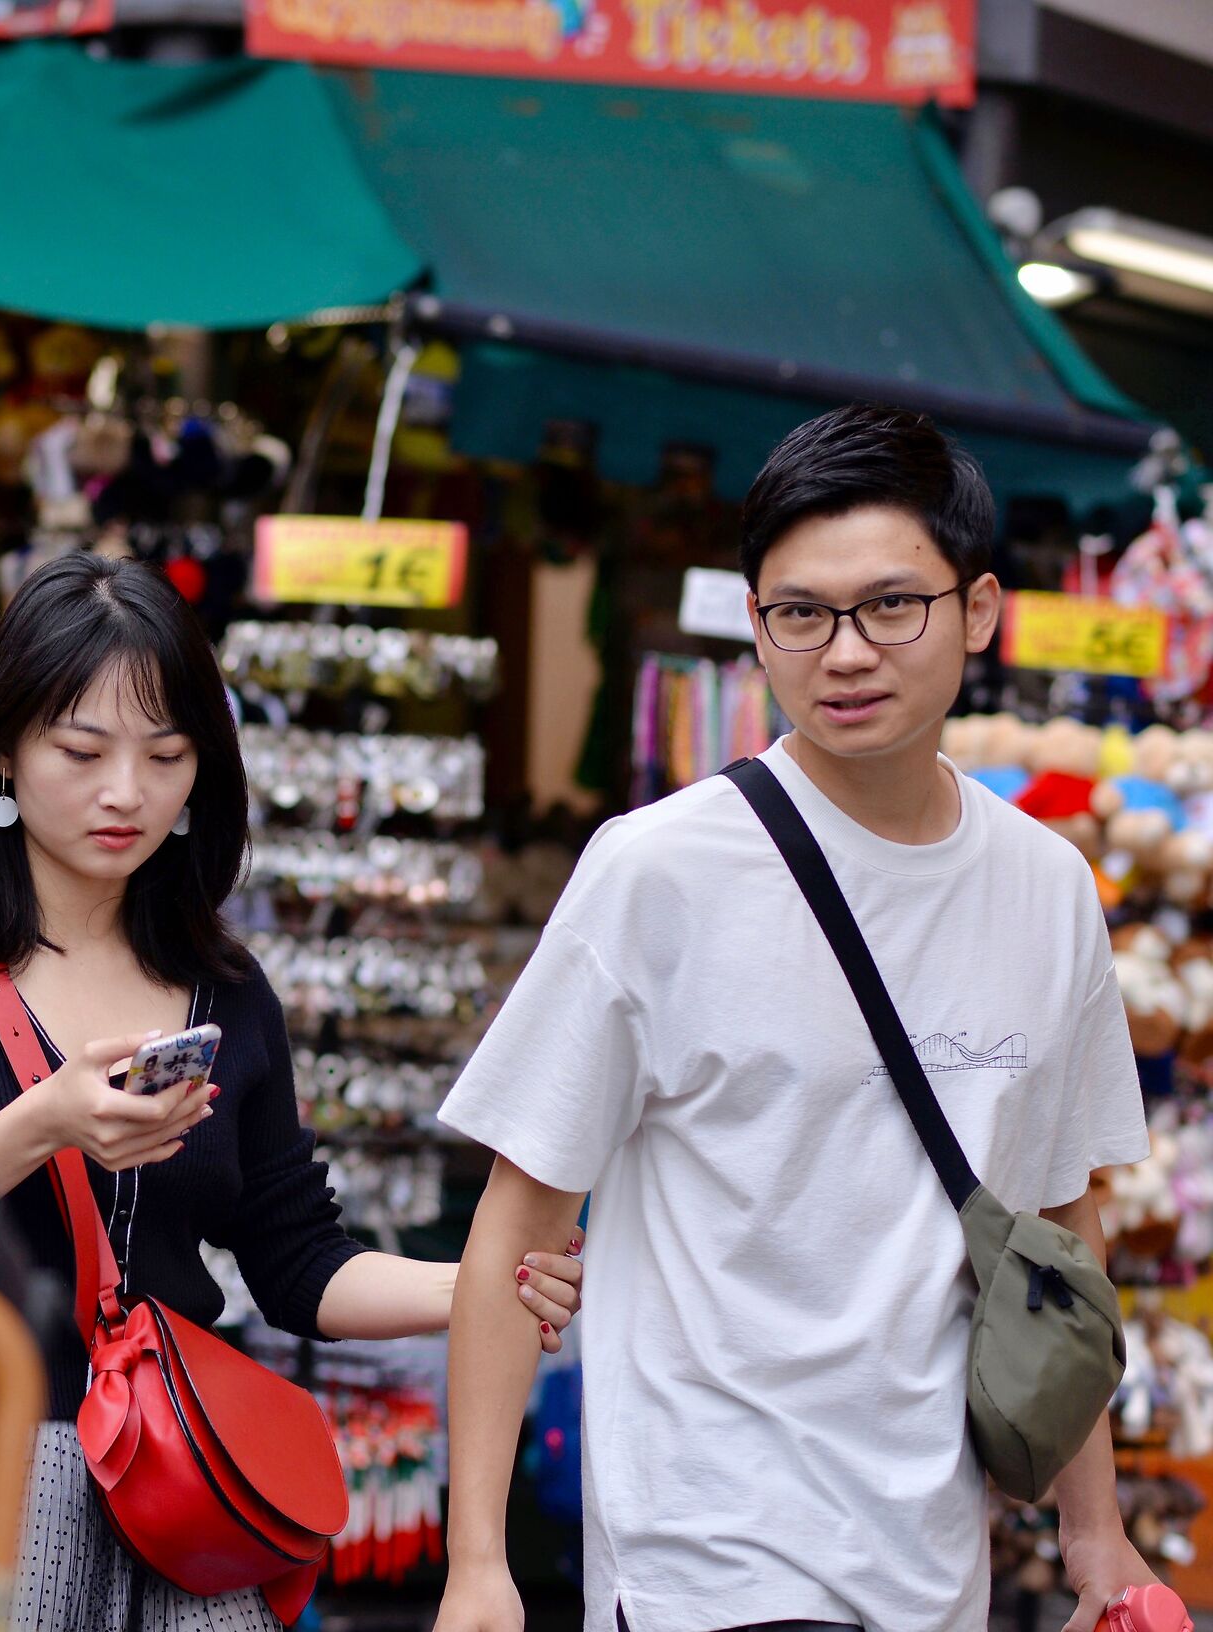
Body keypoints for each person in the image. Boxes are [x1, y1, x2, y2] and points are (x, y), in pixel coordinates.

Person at [431, 404, 1154, 1632]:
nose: (846, 652)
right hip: (704, 1556)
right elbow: (521, 1214)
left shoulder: (1047, 889)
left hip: (932, 1563)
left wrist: (1098, 1537)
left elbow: (1052, 1230)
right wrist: (479, 1566)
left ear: (977, 612)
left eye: (890, 606)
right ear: (757, 627)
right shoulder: (656, 872)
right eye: (800, 616)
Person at [0, 552, 585, 1632]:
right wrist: (45, 1125)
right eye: (82, 750)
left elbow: (297, 1260)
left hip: (174, 1507)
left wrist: (483, 1284)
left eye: (167, 756)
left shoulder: (226, 989)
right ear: (4, 755)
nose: (128, 792)